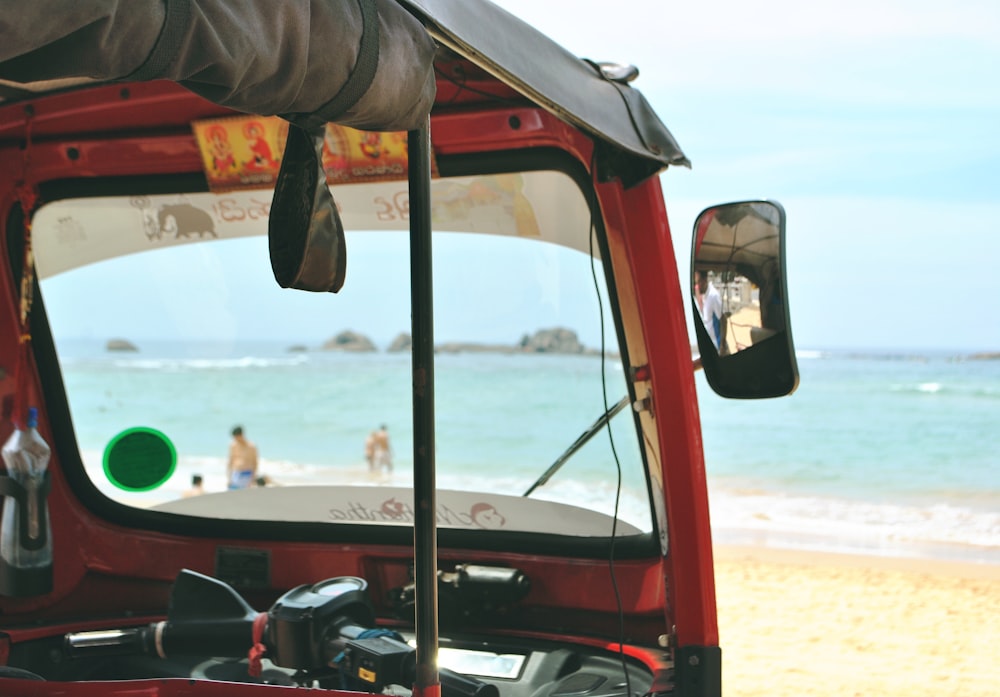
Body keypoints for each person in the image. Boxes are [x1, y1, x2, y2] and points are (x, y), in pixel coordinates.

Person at [694, 270, 725, 352]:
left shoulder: (713, 296)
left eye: (698, 282)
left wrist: (722, 345)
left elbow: (723, 319)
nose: (697, 286)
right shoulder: (705, 296)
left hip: (718, 345)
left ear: (704, 280)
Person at [227, 426, 258, 490]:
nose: (236, 439)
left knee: (244, 497)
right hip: (235, 474)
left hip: (247, 474)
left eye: (237, 437)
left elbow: (255, 463)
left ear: (241, 435)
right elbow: (230, 462)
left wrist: (253, 479)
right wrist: (229, 478)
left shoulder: (251, 447)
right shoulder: (233, 445)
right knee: (232, 496)